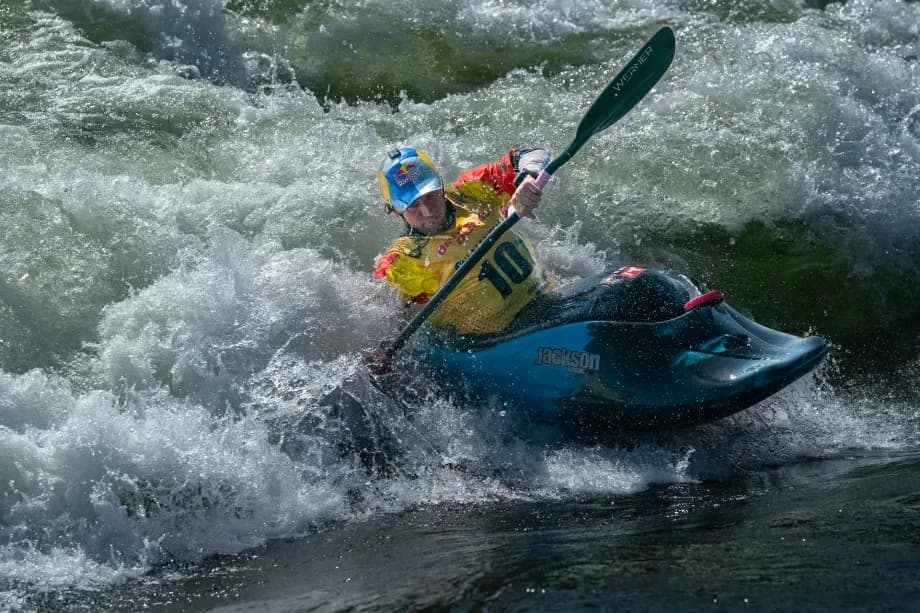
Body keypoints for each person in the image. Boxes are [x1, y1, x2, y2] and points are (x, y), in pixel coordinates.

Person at [373, 146, 553, 337]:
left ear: (440, 185)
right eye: (413, 205)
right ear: (395, 211)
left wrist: (528, 177)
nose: (428, 211)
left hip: (546, 301)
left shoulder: (471, 191)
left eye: (431, 195)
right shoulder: (401, 262)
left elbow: (533, 153)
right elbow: (382, 319)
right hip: (497, 340)